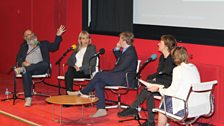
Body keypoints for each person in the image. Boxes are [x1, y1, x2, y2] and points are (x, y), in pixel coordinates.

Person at [68, 32, 138, 118]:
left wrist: (108, 72)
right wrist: (117, 48)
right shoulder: (127, 50)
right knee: (98, 83)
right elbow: (119, 59)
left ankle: (82, 92)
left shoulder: (130, 52)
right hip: (119, 76)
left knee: (99, 75)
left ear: (124, 40)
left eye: (120, 39)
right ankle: (101, 109)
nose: (118, 41)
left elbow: (121, 67)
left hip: (124, 79)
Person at [118, 34, 177, 126]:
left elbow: (166, 74)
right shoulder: (162, 57)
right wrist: (151, 78)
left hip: (169, 86)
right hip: (160, 84)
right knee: (149, 90)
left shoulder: (173, 59)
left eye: (160, 42)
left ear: (166, 45)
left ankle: (134, 107)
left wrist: (153, 79)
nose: (158, 44)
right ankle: (150, 121)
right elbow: (159, 73)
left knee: (148, 86)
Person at [15, 25, 66, 107]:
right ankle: (28, 98)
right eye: (28, 35)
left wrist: (58, 35)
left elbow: (54, 47)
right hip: (28, 68)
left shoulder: (43, 44)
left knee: (45, 64)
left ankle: (23, 69)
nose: (30, 36)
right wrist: (23, 63)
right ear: (25, 38)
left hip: (41, 68)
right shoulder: (24, 47)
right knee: (25, 71)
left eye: (31, 34)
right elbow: (18, 58)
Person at [157, 46, 200, 126]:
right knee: (166, 100)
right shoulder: (194, 67)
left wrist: (159, 89)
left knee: (164, 102)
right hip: (195, 106)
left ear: (174, 58)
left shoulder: (178, 69)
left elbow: (172, 91)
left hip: (183, 108)